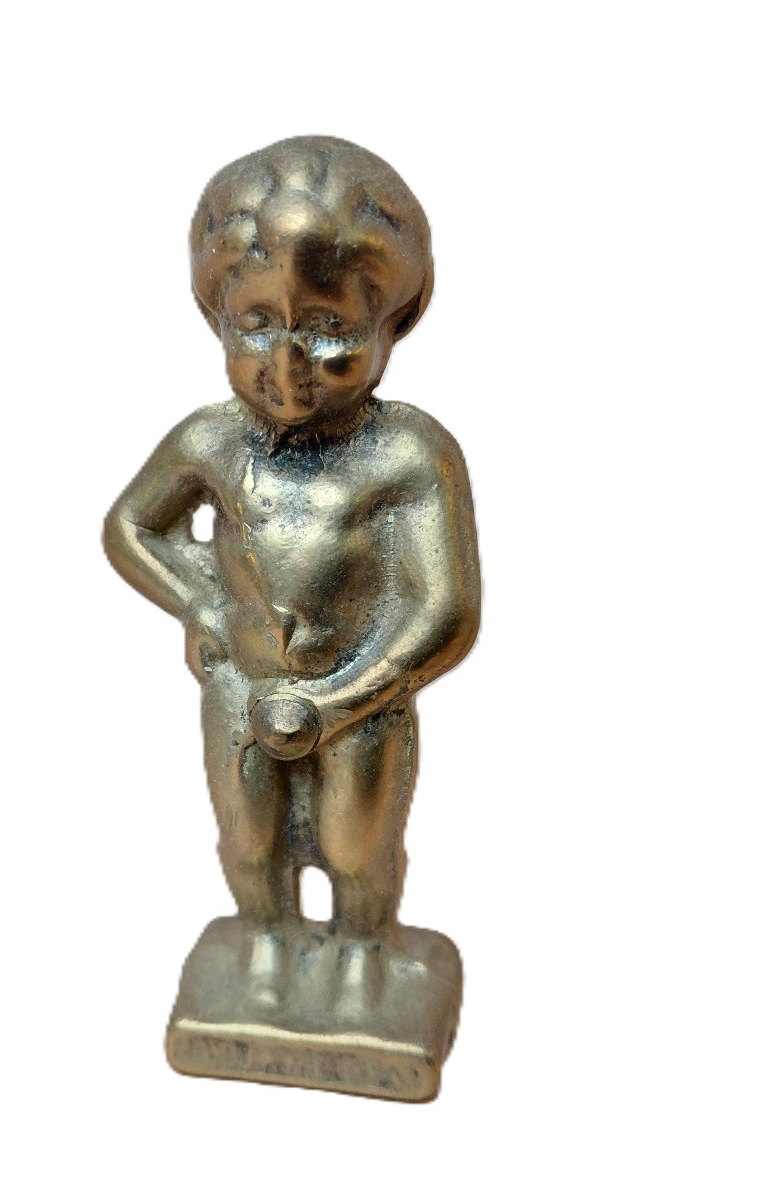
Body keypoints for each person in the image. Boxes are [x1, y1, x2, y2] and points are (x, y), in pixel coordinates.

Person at [104, 136, 480, 1011]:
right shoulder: (210, 440)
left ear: (393, 321)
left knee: (358, 844)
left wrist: (347, 699)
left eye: (328, 329)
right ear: (216, 318)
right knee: (247, 837)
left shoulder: (410, 454)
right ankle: (265, 941)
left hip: (361, 700)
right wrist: (202, 604)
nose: (286, 367)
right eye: (256, 326)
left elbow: (446, 610)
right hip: (244, 684)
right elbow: (130, 526)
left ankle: (363, 950)